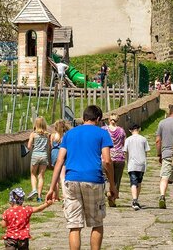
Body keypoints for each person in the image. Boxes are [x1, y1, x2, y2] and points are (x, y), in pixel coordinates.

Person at [46, 105, 114, 250]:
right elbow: (107, 161)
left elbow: (59, 160)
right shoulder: (102, 133)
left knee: (74, 225)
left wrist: (52, 188)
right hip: (93, 179)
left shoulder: (69, 134)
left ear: (83, 118)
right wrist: (112, 185)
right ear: (98, 119)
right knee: (96, 222)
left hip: (71, 180)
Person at [123, 122, 149, 210]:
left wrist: (127, 161)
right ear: (139, 129)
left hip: (132, 163)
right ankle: (136, 199)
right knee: (139, 182)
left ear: (130, 130)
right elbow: (146, 152)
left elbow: (125, 152)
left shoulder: (128, 140)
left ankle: (134, 200)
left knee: (133, 182)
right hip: (141, 164)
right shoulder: (143, 139)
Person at [104, 114, 126, 207]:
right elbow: (124, 143)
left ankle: (108, 190)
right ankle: (113, 198)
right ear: (118, 120)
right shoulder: (121, 131)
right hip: (119, 157)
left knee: (106, 176)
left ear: (109, 120)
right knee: (116, 179)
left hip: (107, 156)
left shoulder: (104, 130)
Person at [27, 117, 50, 201]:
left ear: (36, 124)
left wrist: (33, 145)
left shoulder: (33, 134)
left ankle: (34, 190)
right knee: (41, 176)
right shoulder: (47, 134)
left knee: (33, 174)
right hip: (44, 155)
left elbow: (29, 147)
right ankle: (39, 197)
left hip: (35, 155)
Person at [51, 120, 69, 197]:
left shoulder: (53, 135)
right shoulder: (65, 135)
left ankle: (56, 195)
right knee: (63, 176)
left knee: (56, 175)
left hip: (54, 154)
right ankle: (65, 194)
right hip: (63, 153)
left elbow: (51, 145)